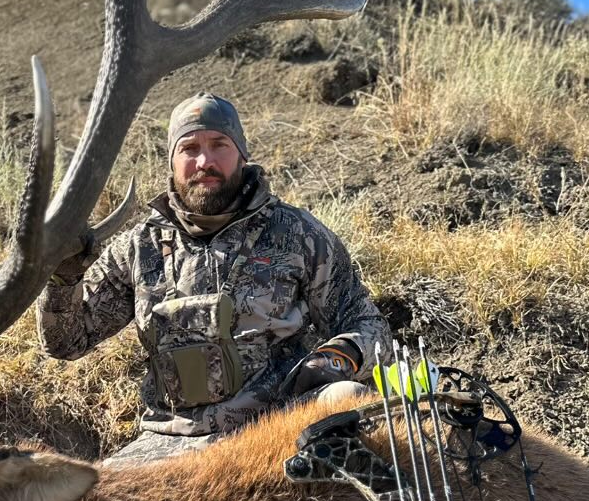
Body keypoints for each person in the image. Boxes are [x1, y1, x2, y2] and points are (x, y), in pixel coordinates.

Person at [36, 93, 392, 465]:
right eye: (189, 148)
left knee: (346, 398)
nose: (204, 161)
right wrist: (63, 277)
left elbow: (368, 325)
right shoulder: (137, 247)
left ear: (242, 152)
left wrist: (336, 358)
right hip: (170, 439)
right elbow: (66, 343)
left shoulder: (297, 234)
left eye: (219, 145)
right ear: (171, 161)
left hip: (279, 425)